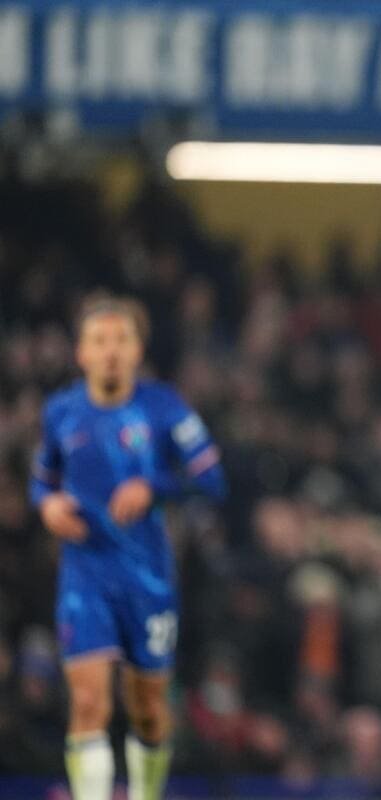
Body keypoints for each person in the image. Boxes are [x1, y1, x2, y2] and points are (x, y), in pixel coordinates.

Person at [29, 293, 227, 800]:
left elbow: (212, 479)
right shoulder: (61, 412)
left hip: (148, 576)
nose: (111, 350)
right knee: (90, 703)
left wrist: (154, 486)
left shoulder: (164, 407)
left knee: (147, 709)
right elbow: (42, 481)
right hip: (85, 574)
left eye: (121, 340)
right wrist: (47, 506)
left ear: (138, 350)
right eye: (99, 341)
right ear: (82, 353)